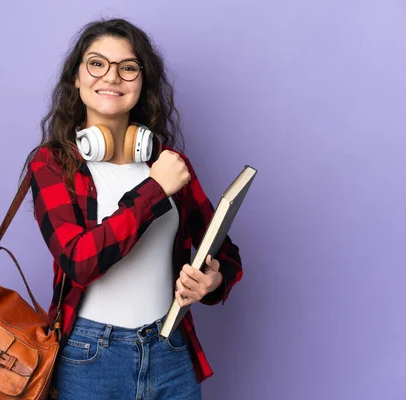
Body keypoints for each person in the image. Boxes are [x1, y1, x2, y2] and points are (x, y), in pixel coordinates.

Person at [25, 18, 243, 400]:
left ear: (142, 83)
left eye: (127, 68)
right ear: (76, 77)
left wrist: (214, 280)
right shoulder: (52, 164)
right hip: (89, 357)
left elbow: (224, 250)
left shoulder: (171, 164)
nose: (112, 77)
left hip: (169, 348)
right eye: (96, 63)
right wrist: (154, 190)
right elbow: (80, 262)